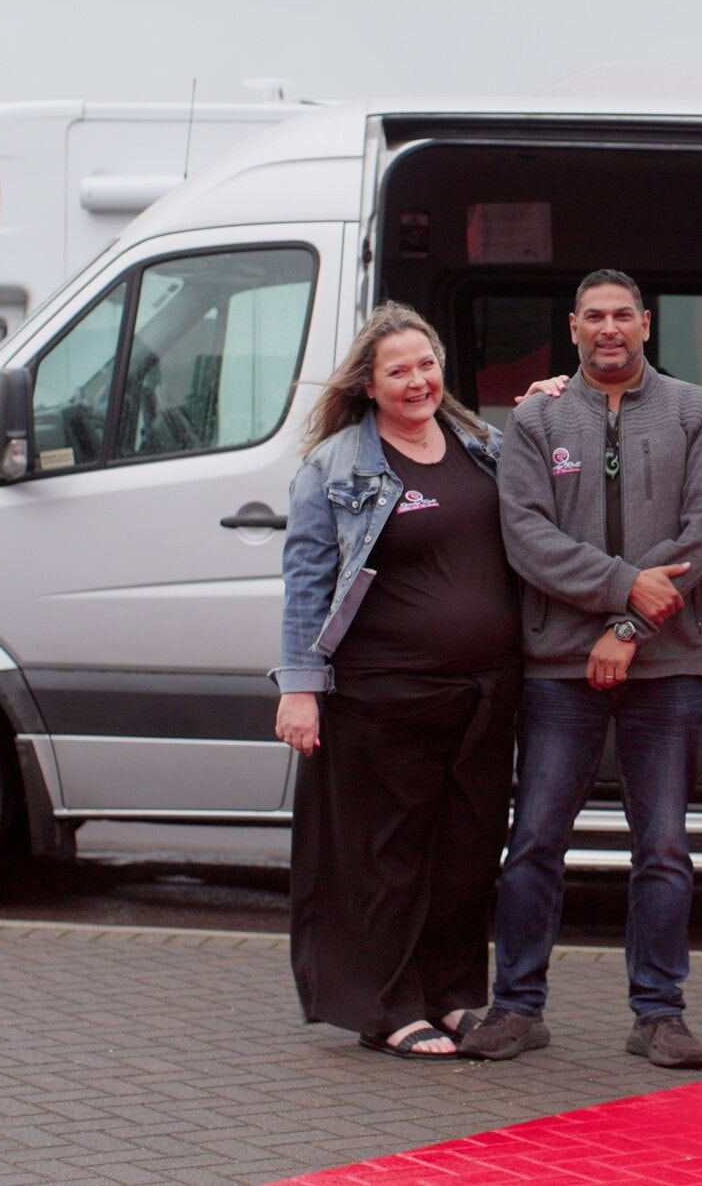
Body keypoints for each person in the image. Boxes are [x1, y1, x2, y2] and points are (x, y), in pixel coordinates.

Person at [460, 269, 702, 1069]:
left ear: (647, 324)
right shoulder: (537, 417)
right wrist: (623, 587)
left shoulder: (697, 412)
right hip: (557, 668)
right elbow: (526, 537)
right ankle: (516, 1007)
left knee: (663, 847)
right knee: (537, 840)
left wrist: (625, 627)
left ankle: (659, 1015)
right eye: (594, 317)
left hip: (666, 666)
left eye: (623, 315)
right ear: (573, 328)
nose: (609, 328)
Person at [272, 302, 521, 1059]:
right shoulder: (337, 466)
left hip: (485, 692)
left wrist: (552, 405)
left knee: (469, 852)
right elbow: (307, 583)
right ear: (370, 385)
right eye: (399, 371)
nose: (417, 381)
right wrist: (299, 686)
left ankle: (450, 996)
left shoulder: (482, 444)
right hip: (383, 696)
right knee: (390, 855)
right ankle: (389, 1005)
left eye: (426, 365)